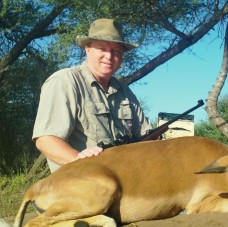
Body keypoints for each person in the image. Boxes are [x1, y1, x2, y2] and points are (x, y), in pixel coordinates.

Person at [33, 18, 152, 172]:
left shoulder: (125, 91)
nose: (109, 56)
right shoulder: (65, 81)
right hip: (80, 181)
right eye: (102, 48)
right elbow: (45, 140)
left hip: (124, 178)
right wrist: (78, 159)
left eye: (116, 51)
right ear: (87, 49)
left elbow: (146, 136)